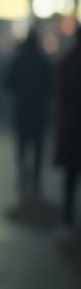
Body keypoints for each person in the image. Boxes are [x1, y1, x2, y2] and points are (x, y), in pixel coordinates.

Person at [4, 29, 53, 198]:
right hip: (39, 111)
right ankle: (36, 180)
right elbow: (51, 87)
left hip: (22, 110)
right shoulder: (43, 62)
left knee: (22, 146)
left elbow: (7, 83)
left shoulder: (19, 61)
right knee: (38, 148)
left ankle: (23, 174)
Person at [55, 30, 81, 225]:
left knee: (71, 173)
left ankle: (67, 213)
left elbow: (60, 97)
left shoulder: (67, 62)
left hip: (72, 125)